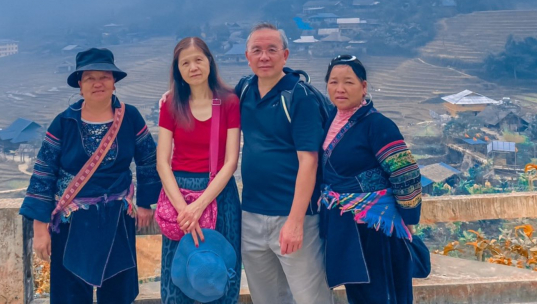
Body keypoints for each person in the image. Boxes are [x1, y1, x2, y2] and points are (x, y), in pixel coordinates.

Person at [20, 48, 161, 304]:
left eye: (105, 76)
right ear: (80, 86)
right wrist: (40, 230)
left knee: (118, 293)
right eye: (89, 78)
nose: (98, 83)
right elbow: (43, 175)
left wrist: (144, 203)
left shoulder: (130, 117)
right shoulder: (64, 123)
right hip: (73, 224)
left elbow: (148, 160)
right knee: (71, 294)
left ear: (114, 83)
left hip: (118, 219)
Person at [234, 23, 334, 304]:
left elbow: (308, 161)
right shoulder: (244, 90)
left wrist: (295, 221)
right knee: (267, 299)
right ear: (247, 56)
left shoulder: (298, 96)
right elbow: (207, 102)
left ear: (285, 55)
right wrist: (175, 94)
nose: (264, 56)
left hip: (293, 216)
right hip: (251, 215)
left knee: (310, 299)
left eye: (271, 50)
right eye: (257, 50)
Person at [319, 54, 423, 304]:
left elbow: (405, 173)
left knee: (383, 294)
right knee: (361, 294)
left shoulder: (378, 125)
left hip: (378, 229)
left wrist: (409, 218)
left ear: (363, 87)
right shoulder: (329, 120)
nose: (340, 89)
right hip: (347, 228)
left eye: (348, 82)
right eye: (333, 82)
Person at [157, 37, 242, 304]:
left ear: (209, 62)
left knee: (218, 275)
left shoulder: (229, 102)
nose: (193, 67)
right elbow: (162, 162)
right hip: (178, 194)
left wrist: (198, 206)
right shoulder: (170, 104)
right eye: (185, 63)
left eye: (198, 60)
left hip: (219, 194)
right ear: (178, 70)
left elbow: (231, 162)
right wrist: (184, 209)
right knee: (179, 277)